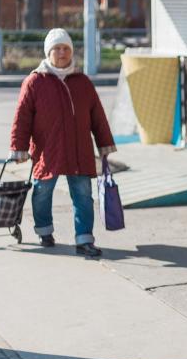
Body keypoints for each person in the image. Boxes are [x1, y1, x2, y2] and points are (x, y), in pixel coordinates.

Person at [9, 28, 116, 257]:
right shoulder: (35, 81)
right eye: (56, 48)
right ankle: (44, 231)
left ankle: (84, 239)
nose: (61, 52)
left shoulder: (82, 81)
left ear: (71, 52)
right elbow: (22, 117)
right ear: (48, 52)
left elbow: (97, 115)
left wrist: (104, 143)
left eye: (65, 48)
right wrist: (18, 148)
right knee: (42, 193)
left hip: (79, 151)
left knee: (83, 196)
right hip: (49, 151)